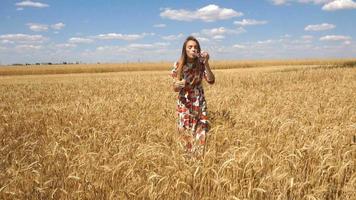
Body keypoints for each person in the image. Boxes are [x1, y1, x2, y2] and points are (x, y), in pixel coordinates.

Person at [170, 36, 215, 157]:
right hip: (184, 102)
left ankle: (199, 158)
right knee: (185, 131)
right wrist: (177, 85)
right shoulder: (178, 65)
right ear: (185, 50)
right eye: (190, 47)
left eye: (195, 47)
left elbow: (211, 80)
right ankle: (187, 159)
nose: (193, 49)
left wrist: (206, 63)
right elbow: (174, 87)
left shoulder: (201, 63)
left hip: (199, 100)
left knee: (201, 129)